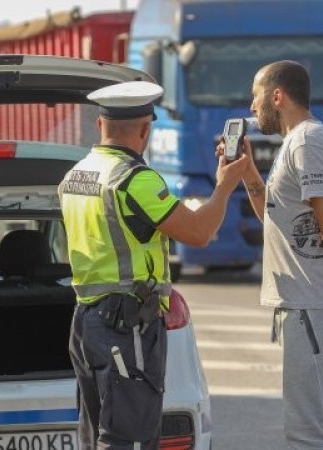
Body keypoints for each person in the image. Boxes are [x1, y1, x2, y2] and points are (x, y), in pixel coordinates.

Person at [59, 80, 248, 449]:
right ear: (146, 129)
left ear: (100, 125)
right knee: (130, 440)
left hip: (86, 322)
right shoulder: (134, 180)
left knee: (97, 434)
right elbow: (198, 233)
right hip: (125, 326)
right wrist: (225, 185)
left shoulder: (75, 175)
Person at [228, 60, 323, 449]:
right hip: (317, 307)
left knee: (307, 434)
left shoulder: (307, 143)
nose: (251, 106)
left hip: (315, 307)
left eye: (256, 96)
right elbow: (276, 219)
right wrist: (247, 174)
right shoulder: (299, 142)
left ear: (278, 96)